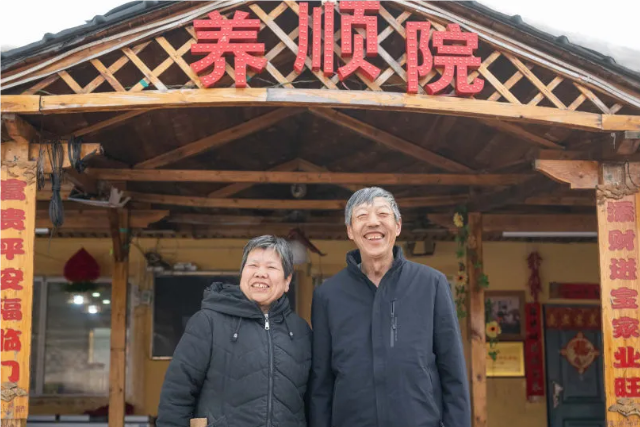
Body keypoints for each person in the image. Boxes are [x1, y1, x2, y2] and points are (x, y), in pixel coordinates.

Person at [309, 187, 471, 427]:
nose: (373, 222)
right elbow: (321, 385)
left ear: (398, 226)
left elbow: (453, 372)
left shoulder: (431, 284)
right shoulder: (328, 295)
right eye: (362, 216)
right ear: (350, 230)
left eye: (383, 214)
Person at [157, 235, 312, 427]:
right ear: (242, 274)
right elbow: (176, 395)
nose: (260, 273)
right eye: (253, 265)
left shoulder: (300, 331)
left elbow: (312, 401)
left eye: (271, 267)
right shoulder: (208, 322)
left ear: (287, 280)